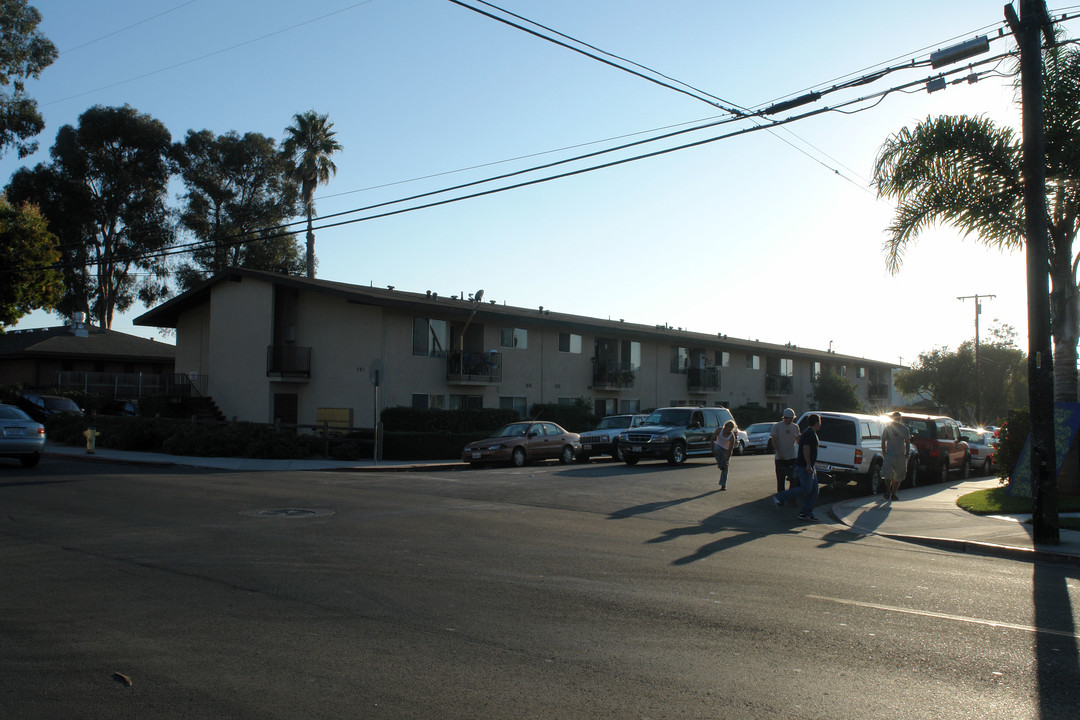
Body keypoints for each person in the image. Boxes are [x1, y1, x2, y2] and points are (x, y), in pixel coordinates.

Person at [772, 413, 821, 522]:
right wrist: (808, 464)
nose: (820, 424)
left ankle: (805, 513)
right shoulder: (809, 434)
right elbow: (806, 449)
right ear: (816, 423)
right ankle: (780, 496)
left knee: (813, 491)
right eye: (819, 422)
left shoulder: (810, 433)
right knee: (806, 489)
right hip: (804, 466)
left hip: (810, 466)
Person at [769, 408, 801, 495]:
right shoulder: (777, 426)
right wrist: (779, 452)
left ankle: (791, 496)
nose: (790, 420)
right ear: (785, 417)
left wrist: (799, 439)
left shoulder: (795, 427)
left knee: (794, 478)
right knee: (780, 479)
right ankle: (781, 498)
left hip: (792, 457)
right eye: (789, 418)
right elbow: (774, 440)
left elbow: (798, 440)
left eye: (792, 418)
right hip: (780, 458)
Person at [880, 411, 911, 501]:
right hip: (889, 455)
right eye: (895, 418)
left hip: (900, 456)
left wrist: (907, 453)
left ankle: (893, 493)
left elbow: (907, 442)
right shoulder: (888, 429)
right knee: (888, 475)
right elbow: (883, 441)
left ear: (900, 419)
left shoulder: (905, 429)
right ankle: (888, 490)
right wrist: (884, 453)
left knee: (899, 476)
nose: (897, 420)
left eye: (898, 419)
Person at [713, 420, 738, 490]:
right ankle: (720, 464)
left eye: (731, 427)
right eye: (729, 426)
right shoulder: (719, 430)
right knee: (716, 448)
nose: (729, 428)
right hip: (718, 447)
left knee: (725, 467)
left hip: (726, 450)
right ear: (725, 426)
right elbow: (712, 439)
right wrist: (712, 449)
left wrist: (726, 461)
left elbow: (730, 449)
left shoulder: (731, 436)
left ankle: (723, 484)